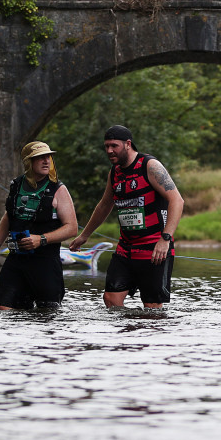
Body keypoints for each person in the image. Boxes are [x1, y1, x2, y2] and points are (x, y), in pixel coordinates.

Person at [69, 125, 184, 309]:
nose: (109, 151)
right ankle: (126, 334)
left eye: (114, 145)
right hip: (126, 247)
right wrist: (85, 235)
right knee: (111, 299)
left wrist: (166, 239)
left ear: (128, 144)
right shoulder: (115, 172)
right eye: (106, 146)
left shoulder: (150, 166)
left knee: (152, 307)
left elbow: (177, 201)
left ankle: (148, 335)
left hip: (155, 246)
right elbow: (104, 205)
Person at [0, 141, 79, 309]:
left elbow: (72, 228)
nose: (46, 161)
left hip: (46, 262)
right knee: (2, 309)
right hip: (16, 260)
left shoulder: (58, 190)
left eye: (48, 157)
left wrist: (41, 239)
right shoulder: (16, 185)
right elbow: (9, 216)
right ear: (28, 162)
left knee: (46, 315)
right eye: (39, 158)